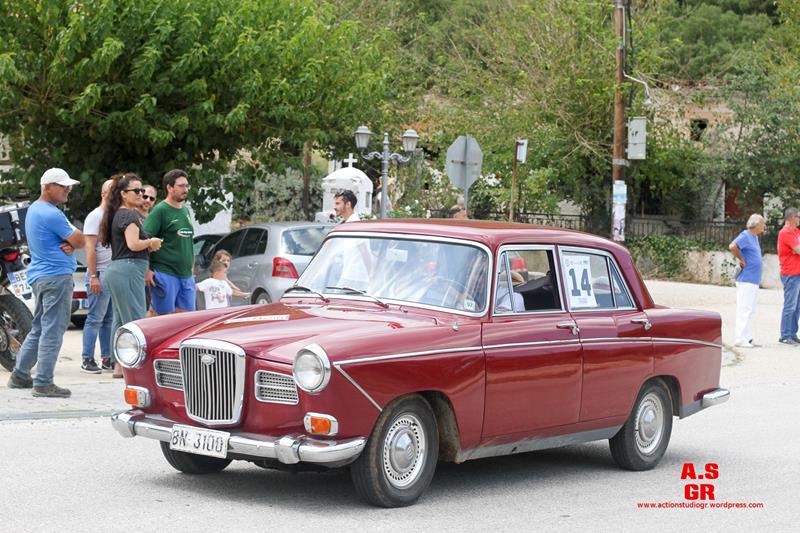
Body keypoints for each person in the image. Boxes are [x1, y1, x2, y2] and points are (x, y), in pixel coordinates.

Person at [8, 168, 84, 398]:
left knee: (40, 328)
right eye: (63, 186)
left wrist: (70, 243)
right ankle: (43, 383)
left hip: (42, 277)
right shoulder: (52, 214)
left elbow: (74, 241)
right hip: (56, 277)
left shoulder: (34, 209)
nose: (68, 189)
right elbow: (80, 239)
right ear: (48, 187)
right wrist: (72, 242)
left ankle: (20, 375)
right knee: (53, 330)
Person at [101, 174, 162, 377]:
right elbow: (133, 244)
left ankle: (120, 367)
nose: (141, 194)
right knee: (136, 321)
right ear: (123, 194)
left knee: (121, 321)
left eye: (142, 190)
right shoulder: (129, 215)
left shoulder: (118, 214)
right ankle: (138, 370)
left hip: (120, 270)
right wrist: (151, 242)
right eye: (136, 191)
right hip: (128, 269)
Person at [143, 169, 195, 315]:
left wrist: (191, 266)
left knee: (187, 320)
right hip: (165, 273)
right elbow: (144, 240)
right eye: (181, 186)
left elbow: (188, 241)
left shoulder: (185, 211)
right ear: (169, 188)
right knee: (162, 320)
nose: (186, 189)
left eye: (187, 186)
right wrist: (147, 269)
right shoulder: (160, 210)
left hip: (186, 275)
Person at [80, 178, 115, 373]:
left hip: (111, 273)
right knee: (95, 318)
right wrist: (93, 276)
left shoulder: (114, 215)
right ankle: (87, 359)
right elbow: (90, 248)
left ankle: (107, 358)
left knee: (108, 319)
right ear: (103, 194)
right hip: (99, 273)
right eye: (111, 190)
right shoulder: (96, 216)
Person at [728, 214, 765, 348]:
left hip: (753, 279)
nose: (764, 226)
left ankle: (747, 337)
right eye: (763, 223)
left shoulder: (754, 237)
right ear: (756, 225)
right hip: (746, 278)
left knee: (750, 309)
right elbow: (733, 246)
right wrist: (742, 259)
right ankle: (740, 338)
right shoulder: (746, 235)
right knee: (744, 309)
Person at [777, 208, 800, 345]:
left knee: (797, 307)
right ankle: (785, 335)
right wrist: (796, 249)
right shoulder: (785, 232)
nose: (799, 219)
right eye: (798, 217)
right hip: (790, 273)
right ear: (791, 217)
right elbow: (798, 249)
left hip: (798, 273)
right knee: (790, 306)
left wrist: (796, 249)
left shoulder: (796, 232)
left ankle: (792, 333)